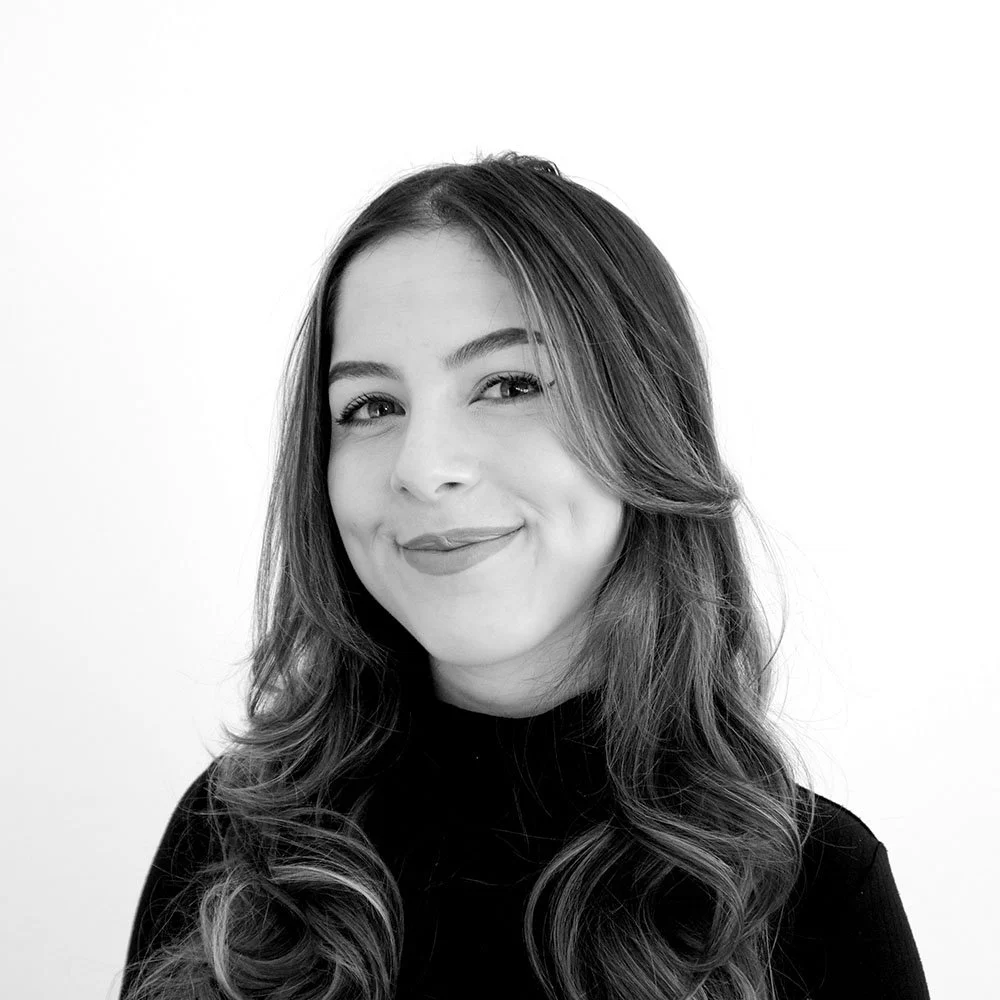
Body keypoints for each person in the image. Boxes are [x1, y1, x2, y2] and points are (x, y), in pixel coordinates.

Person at [118, 152, 930, 1000]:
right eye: (370, 407)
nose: (423, 467)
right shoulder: (235, 846)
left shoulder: (813, 888)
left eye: (508, 384)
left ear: (646, 422)